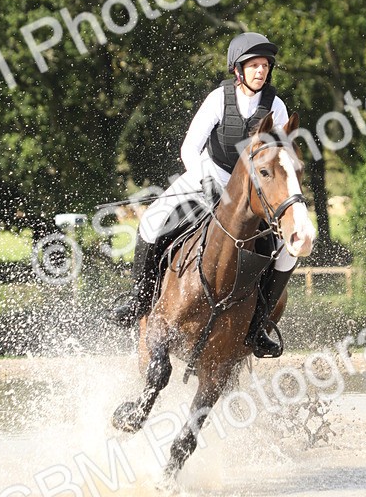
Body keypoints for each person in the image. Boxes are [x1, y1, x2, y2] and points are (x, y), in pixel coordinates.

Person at [108, 32, 300, 356]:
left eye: (265, 66)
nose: (261, 71)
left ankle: (258, 325)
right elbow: (189, 148)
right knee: (152, 221)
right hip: (208, 175)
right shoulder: (218, 99)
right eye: (254, 65)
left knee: (288, 250)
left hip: (251, 191)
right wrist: (206, 180)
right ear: (238, 69)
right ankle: (138, 299)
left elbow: (279, 158)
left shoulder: (276, 107)